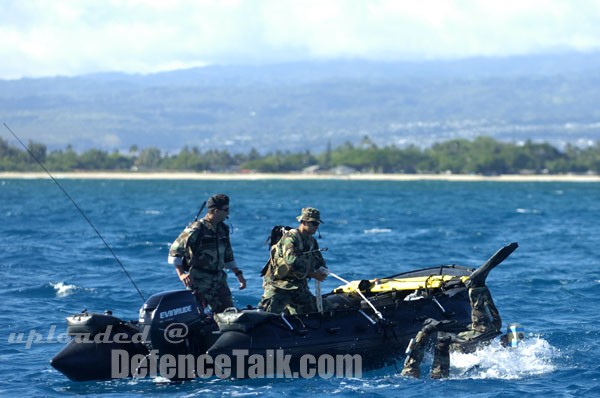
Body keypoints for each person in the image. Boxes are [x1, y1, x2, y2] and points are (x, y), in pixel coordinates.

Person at [401, 242, 519, 379]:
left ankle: (477, 286)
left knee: (485, 330)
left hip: (461, 345)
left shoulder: (494, 351)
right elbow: (514, 329)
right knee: (421, 370)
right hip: (462, 344)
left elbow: (514, 329)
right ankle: (476, 286)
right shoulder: (498, 351)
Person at [168, 194, 246, 314]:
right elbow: (175, 251)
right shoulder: (196, 229)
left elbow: (228, 256)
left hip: (219, 281)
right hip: (199, 282)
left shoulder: (223, 229)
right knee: (196, 316)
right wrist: (182, 274)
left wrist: (238, 274)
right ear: (216, 211)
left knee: (229, 314)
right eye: (226, 210)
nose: (228, 213)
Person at [258, 207, 328, 315]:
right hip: (280, 285)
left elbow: (319, 260)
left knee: (313, 314)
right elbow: (291, 262)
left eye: (317, 224)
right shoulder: (291, 238)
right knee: (267, 315)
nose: (316, 227)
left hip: (299, 286)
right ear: (304, 222)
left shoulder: (311, 241)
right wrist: (313, 275)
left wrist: (322, 270)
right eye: (313, 223)